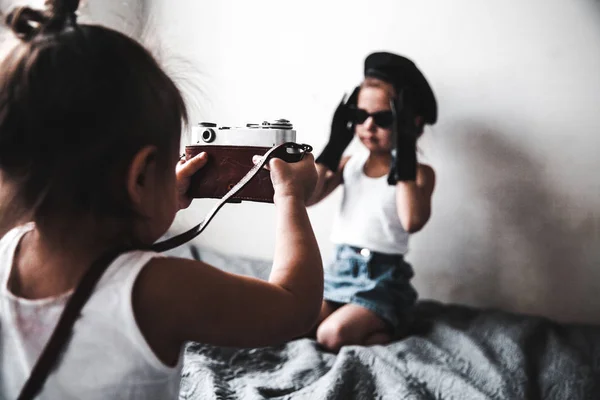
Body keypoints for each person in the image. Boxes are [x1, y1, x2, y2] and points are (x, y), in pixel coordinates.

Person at [0, 1, 322, 399]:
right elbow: (296, 306)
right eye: (171, 163)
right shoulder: (158, 288)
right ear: (140, 175)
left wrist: (158, 195)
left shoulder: (7, 251)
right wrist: (291, 196)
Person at [307, 51, 438, 352]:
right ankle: (367, 326)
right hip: (339, 272)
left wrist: (405, 150)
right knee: (299, 323)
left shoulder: (419, 173)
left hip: (382, 282)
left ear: (409, 122)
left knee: (331, 335)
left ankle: (395, 323)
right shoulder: (349, 163)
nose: (368, 126)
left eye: (382, 118)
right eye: (359, 116)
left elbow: (412, 220)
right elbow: (307, 197)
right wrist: (332, 147)